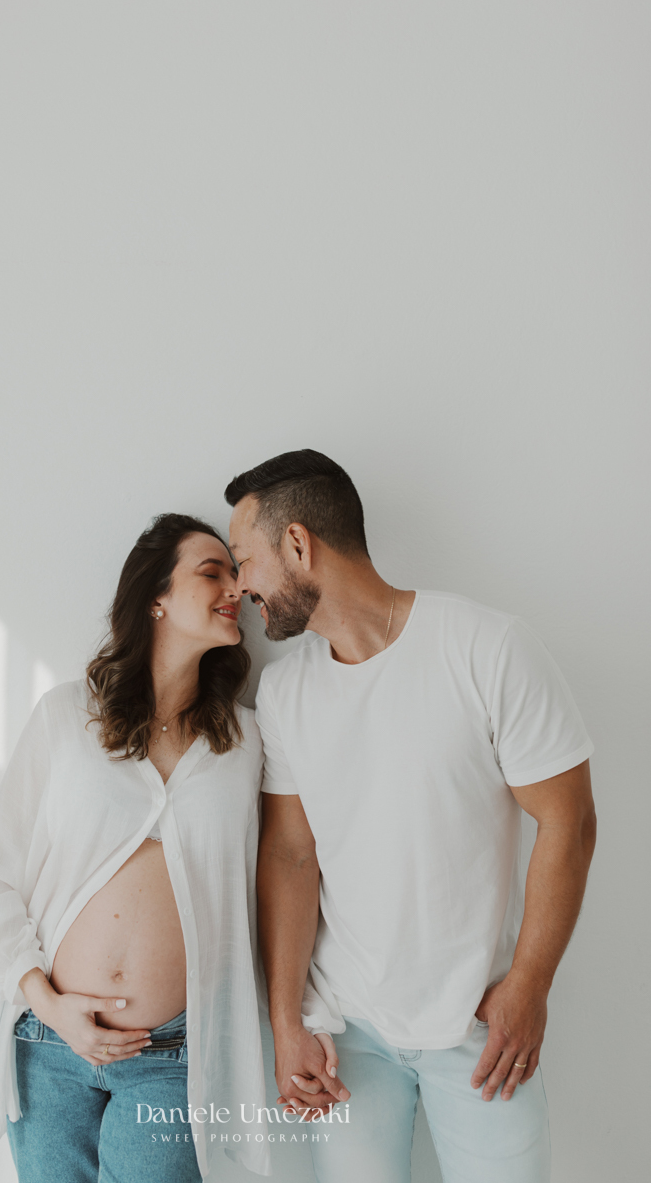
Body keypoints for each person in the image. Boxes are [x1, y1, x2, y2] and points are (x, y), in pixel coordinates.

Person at [225, 450, 597, 1183]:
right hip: (348, 1038)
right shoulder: (285, 694)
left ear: (299, 545)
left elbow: (569, 822)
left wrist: (530, 985)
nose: (240, 589)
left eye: (244, 561)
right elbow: (291, 856)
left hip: (481, 1027)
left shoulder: (486, 648)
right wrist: (286, 1019)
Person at [0, 514, 271, 1182]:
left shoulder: (246, 743)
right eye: (211, 572)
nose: (234, 590)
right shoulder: (69, 716)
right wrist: (44, 1002)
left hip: (175, 1060)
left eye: (237, 577)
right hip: (48, 1047)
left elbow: (284, 879)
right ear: (154, 597)